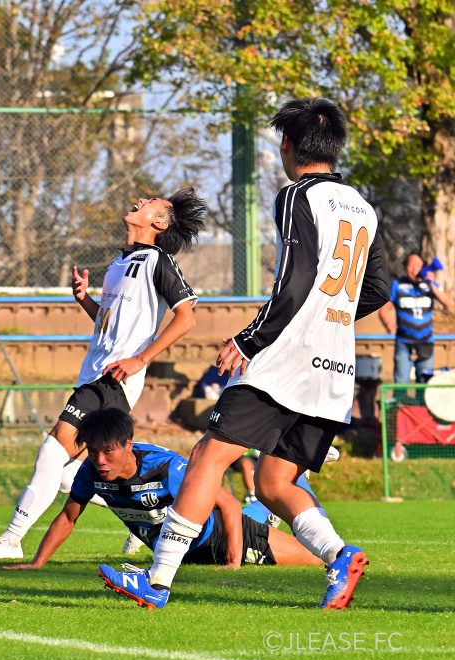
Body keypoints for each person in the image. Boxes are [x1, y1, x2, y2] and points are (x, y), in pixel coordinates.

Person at [100, 97, 390, 610]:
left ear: (288, 144)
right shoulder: (363, 207)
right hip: (335, 370)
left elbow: (294, 282)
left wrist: (247, 339)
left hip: (286, 358)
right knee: (275, 482)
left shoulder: (297, 195)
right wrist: (330, 318)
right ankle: (339, 556)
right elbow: (377, 290)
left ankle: (157, 580)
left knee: (208, 456)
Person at [0, 188, 206, 561]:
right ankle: (149, 518)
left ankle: (10, 540)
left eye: (153, 203)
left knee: (52, 452)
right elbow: (109, 323)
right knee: (69, 476)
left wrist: (140, 359)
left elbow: (187, 319)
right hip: (93, 375)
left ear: (160, 223)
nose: (142, 200)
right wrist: (86, 301)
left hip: (114, 380)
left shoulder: (159, 260)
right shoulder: (118, 263)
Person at [3, 409, 322, 580]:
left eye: (108, 452)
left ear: (128, 444)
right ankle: (279, 493)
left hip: (219, 537)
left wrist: (233, 562)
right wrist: (38, 563)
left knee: (315, 560)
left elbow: (227, 503)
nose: (100, 461)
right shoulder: (90, 472)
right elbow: (67, 517)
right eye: (94, 452)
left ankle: (292, 470)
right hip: (179, 554)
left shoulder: (167, 468)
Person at [378, 253, 455, 383]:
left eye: (419, 265)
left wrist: (432, 284)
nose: (415, 269)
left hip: (426, 342)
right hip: (403, 342)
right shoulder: (397, 284)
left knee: (425, 383)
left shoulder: (431, 285)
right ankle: (401, 397)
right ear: (405, 268)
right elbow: (384, 308)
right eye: (411, 265)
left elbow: (450, 304)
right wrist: (389, 325)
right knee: (401, 382)